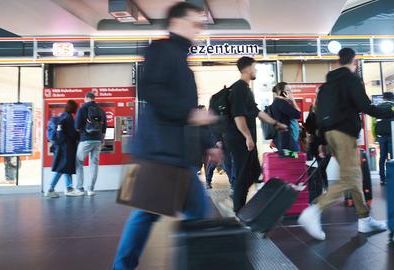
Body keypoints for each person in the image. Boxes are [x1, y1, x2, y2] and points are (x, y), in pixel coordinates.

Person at [113, 3, 222, 269]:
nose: (200, 28)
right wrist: (190, 115)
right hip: (160, 153)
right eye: (195, 23)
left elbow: (183, 110)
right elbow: (151, 90)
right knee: (149, 215)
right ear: (176, 22)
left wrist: (206, 142)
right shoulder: (161, 50)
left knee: (187, 213)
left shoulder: (179, 58)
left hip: (175, 154)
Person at [298, 48, 394, 241]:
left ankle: (364, 219)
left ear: (338, 62)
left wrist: (322, 141)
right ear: (354, 62)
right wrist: (393, 113)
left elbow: (319, 114)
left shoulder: (326, 86)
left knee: (354, 177)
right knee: (350, 177)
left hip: (330, 134)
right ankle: (315, 210)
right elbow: (366, 107)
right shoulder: (351, 79)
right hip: (344, 134)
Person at [224, 56, 288, 213]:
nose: (256, 70)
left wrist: (275, 123)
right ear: (246, 69)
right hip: (240, 140)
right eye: (254, 67)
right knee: (243, 173)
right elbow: (238, 116)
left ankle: (238, 196)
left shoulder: (246, 89)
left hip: (245, 140)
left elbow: (257, 112)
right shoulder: (239, 89)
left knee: (254, 172)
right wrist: (247, 137)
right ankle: (239, 208)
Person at [45, 100, 81, 198]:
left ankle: (69, 188)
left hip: (61, 147)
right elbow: (72, 134)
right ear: (73, 108)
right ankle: (50, 189)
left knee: (65, 168)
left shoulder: (63, 116)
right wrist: (79, 133)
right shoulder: (69, 118)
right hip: (67, 147)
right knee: (62, 168)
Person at [74, 92, 107, 196]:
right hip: (97, 140)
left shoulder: (82, 108)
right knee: (94, 164)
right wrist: (102, 140)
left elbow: (77, 126)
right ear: (94, 98)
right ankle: (91, 189)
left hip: (85, 139)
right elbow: (104, 128)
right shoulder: (101, 110)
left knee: (79, 162)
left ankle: (79, 188)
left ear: (86, 98)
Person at [371, 92, 394, 186]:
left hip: (381, 136)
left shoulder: (377, 108)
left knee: (382, 157)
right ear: (392, 98)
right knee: (393, 157)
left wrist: (375, 136)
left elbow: (373, 124)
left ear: (383, 98)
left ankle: (382, 178)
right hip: (392, 135)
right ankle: (393, 177)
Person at [271, 82, 301, 153]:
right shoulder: (281, 103)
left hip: (284, 139)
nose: (290, 93)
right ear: (280, 92)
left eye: (290, 90)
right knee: (295, 158)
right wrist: (293, 100)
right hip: (287, 141)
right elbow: (298, 114)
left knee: (292, 159)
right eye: (287, 90)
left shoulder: (278, 103)